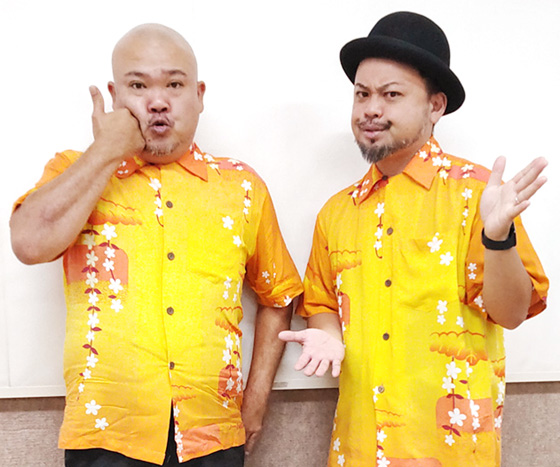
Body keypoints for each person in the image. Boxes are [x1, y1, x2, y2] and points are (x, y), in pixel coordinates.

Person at [10, 24, 302, 466]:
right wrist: (106, 150)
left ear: (199, 95)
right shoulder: (74, 171)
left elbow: (279, 295)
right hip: (107, 436)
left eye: (174, 85)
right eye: (138, 86)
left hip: (212, 436)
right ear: (114, 96)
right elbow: (28, 243)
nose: (158, 101)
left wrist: (256, 401)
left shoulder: (241, 187)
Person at [279, 11, 549, 467]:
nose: (371, 109)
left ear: (435, 106)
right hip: (359, 448)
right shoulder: (337, 213)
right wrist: (326, 336)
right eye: (362, 94)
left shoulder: (478, 195)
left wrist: (498, 237)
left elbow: (511, 312)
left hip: (451, 452)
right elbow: (322, 304)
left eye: (391, 94)